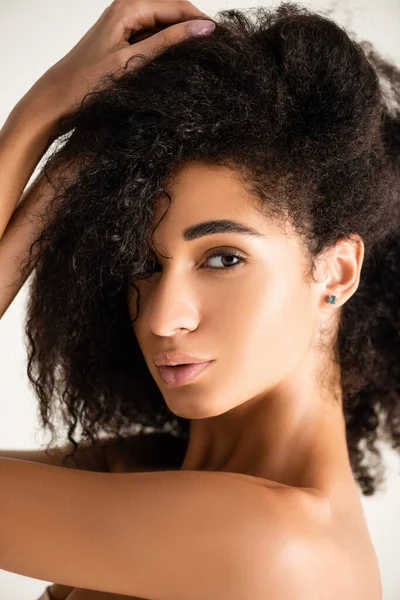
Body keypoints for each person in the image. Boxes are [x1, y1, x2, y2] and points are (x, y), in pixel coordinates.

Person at [0, 0, 399, 598]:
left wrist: (40, 118)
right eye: (142, 264)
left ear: (337, 271)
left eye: (222, 258)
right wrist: (68, 170)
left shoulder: (278, 542)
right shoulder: (151, 470)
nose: (163, 316)